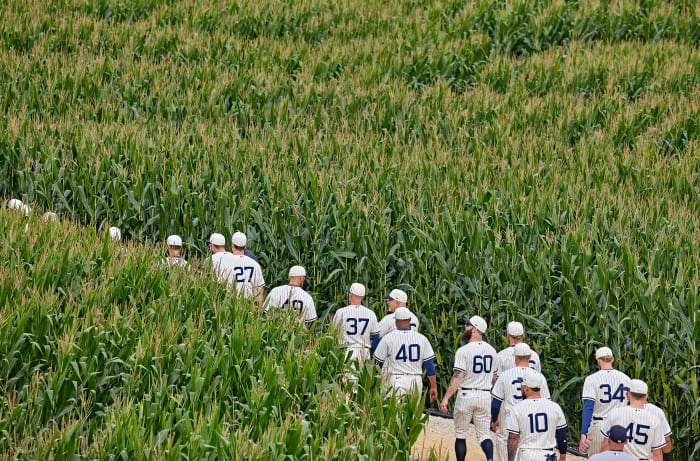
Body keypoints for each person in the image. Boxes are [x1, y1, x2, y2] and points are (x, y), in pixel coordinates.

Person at [439, 315, 497, 461]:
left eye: (468, 325)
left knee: (460, 434)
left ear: (475, 330)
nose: (465, 328)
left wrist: (446, 398)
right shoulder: (492, 351)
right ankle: (490, 459)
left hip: (466, 394)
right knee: (484, 435)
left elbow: (458, 377)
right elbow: (495, 377)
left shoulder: (463, 351)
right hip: (484, 395)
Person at [491, 343, 551, 461]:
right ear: (529, 357)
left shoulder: (504, 375)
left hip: (510, 419)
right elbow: (547, 403)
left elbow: (496, 404)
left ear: (515, 358)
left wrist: (494, 419)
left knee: (507, 450)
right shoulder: (539, 377)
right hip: (531, 420)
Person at [373, 307, 437, 401]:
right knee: (413, 414)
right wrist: (434, 386)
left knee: (395, 414)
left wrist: (375, 381)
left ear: (396, 321)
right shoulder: (422, 338)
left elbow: (378, 362)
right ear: (410, 320)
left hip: (396, 380)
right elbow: (429, 365)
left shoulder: (388, 338)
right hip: (416, 380)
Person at [579, 347, 632, 456]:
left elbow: (588, 407)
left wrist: (583, 433)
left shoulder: (591, 379)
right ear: (612, 359)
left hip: (599, 426)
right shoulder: (626, 379)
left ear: (598, 361)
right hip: (621, 426)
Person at [506, 369, 568, 461]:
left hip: (526, 455)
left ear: (526, 388)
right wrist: (563, 456)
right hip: (548, 455)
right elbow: (562, 434)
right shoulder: (555, 407)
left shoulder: (517, 408)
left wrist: (510, 460)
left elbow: (513, 438)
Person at [601, 379, 665, 461]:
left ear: (628, 394)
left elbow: (606, 444)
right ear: (646, 396)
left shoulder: (615, 413)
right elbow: (657, 453)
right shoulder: (655, 419)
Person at [332, 283, 378, 367]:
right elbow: (375, 339)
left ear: (351, 295)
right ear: (363, 297)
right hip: (364, 353)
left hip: (345, 352)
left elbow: (333, 335)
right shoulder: (371, 314)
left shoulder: (340, 312)